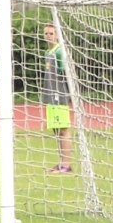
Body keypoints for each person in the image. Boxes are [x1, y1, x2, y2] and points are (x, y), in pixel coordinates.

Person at [42, 24, 72, 173]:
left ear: (57, 35)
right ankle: (61, 163)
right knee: (57, 131)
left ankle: (66, 165)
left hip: (59, 95)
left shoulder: (60, 52)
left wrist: (69, 95)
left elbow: (67, 73)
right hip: (50, 96)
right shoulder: (48, 52)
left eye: (51, 33)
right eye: (46, 33)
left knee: (63, 130)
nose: (48, 35)